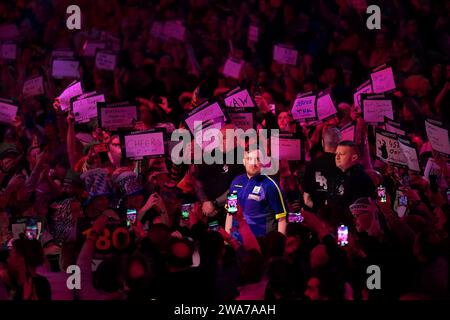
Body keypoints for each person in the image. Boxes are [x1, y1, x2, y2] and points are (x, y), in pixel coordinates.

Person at [226, 149, 288, 237]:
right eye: (249, 159)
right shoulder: (236, 181)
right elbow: (230, 213)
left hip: (261, 243)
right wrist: (227, 239)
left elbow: (282, 218)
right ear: (244, 161)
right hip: (237, 242)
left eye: (257, 159)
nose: (253, 163)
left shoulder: (270, 185)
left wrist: (279, 246)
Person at [303, 127, 342, 212]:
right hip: (341, 216)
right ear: (340, 143)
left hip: (318, 217)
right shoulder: (345, 166)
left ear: (322, 142)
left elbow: (306, 200)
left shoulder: (311, 165)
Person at [329, 141, 376, 211]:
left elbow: (383, 199)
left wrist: (383, 204)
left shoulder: (361, 178)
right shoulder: (338, 175)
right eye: (336, 154)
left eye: (341, 154)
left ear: (354, 157)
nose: (337, 157)